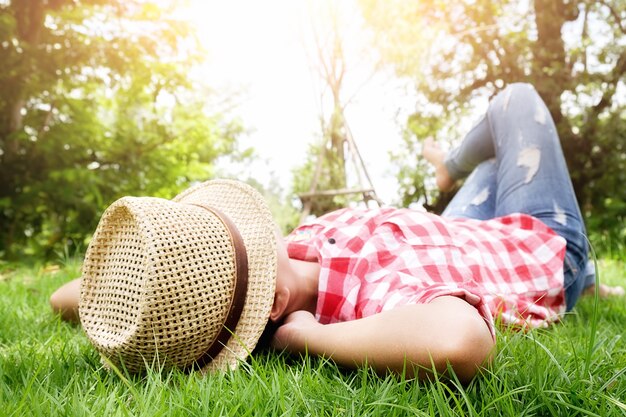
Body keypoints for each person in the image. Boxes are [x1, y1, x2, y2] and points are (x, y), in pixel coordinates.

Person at [50, 83, 622, 382]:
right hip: (535, 245)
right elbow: (460, 343)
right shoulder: (365, 298)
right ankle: (582, 274)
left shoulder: (298, 246)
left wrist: (141, 281)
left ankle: (464, 175)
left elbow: (74, 296)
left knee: (494, 169)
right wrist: (304, 339)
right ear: (272, 303)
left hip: (456, 231)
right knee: (513, 103)